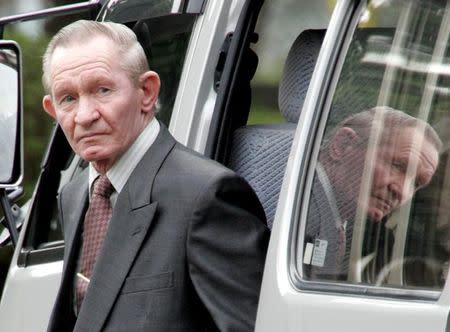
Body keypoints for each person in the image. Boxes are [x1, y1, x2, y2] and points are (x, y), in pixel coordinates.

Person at [41, 20, 269, 331]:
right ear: (52, 110)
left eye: (102, 90)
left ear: (147, 92)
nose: (84, 116)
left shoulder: (206, 195)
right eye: (68, 98)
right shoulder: (77, 194)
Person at [304, 106, 442, 280]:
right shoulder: (297, 214)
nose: (402, 191)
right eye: (398, 165)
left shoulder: (352, 229)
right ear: (343, 145)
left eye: (416, 183)